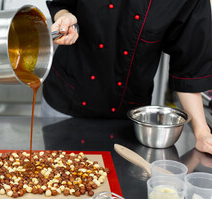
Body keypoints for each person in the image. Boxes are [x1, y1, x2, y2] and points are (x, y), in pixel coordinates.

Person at [42, 0, 212, 154]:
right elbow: (60, 3)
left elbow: (188, 70)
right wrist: (65, 17)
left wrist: (202, 132)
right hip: (67, 100)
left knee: (126, 184)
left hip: (130, 117)